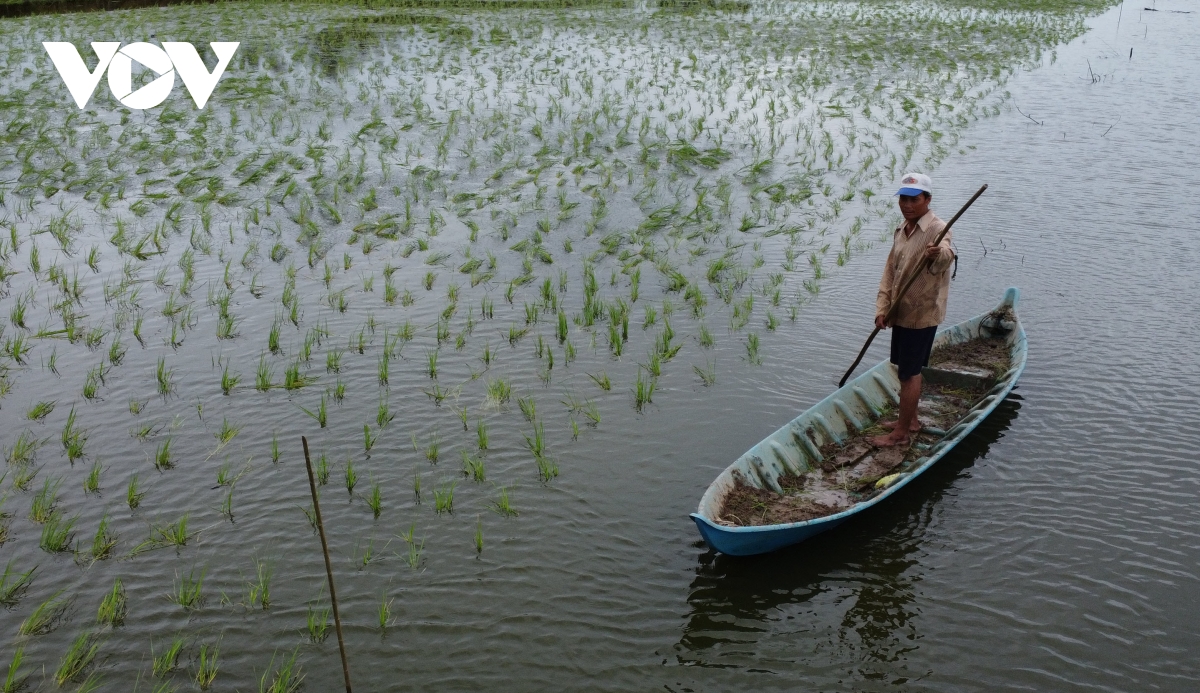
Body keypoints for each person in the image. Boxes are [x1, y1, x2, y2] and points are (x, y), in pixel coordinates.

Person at [870, 173, 956, 447]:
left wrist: (937, 254)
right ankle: (912, 421)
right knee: (903, 367)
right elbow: (889, 271)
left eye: (914, 199)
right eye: (903, 199)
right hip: (901, 312)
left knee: (910, 373)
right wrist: (882, 307)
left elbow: (946, 255)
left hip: (921, 314)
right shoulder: (902, 229)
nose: (907, 205)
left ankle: (900, 435)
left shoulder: (938, 229)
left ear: (927, 200)